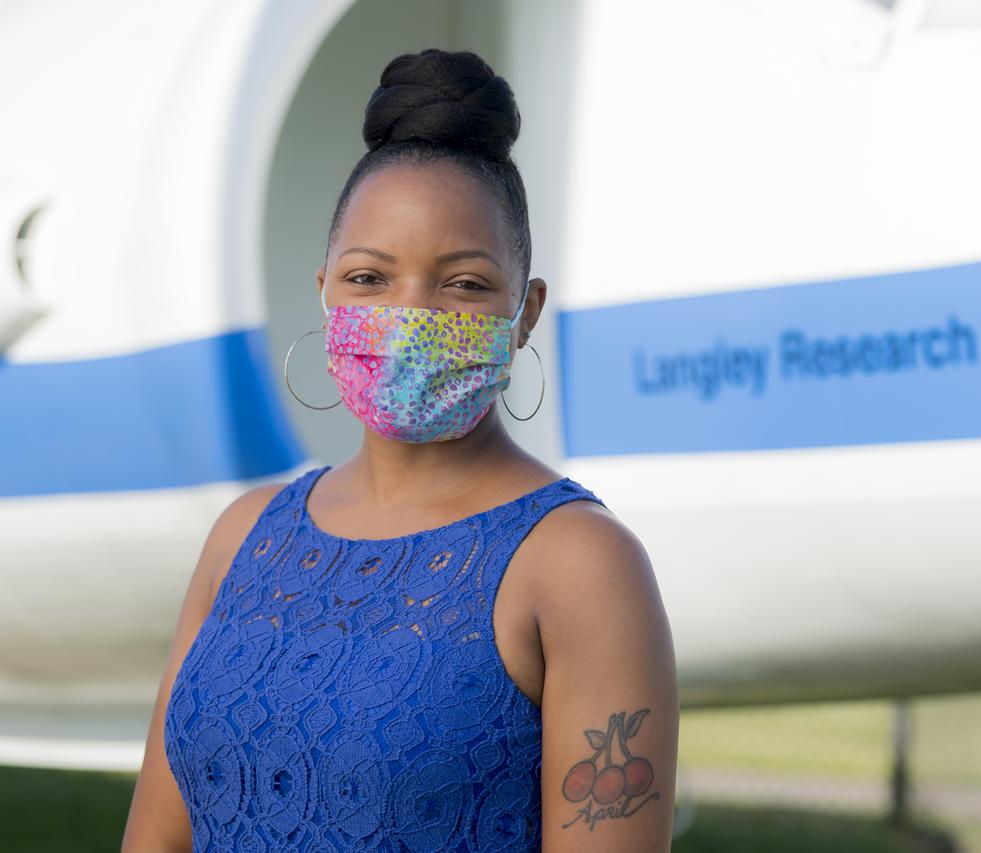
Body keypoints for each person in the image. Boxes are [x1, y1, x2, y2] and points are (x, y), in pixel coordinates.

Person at [122, 47, 678, 853]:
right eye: (369, 278)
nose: (409, 317)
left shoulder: (580, 564)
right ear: (323, 290)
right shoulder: (243, 536)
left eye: (463, 284)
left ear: (525, 312)